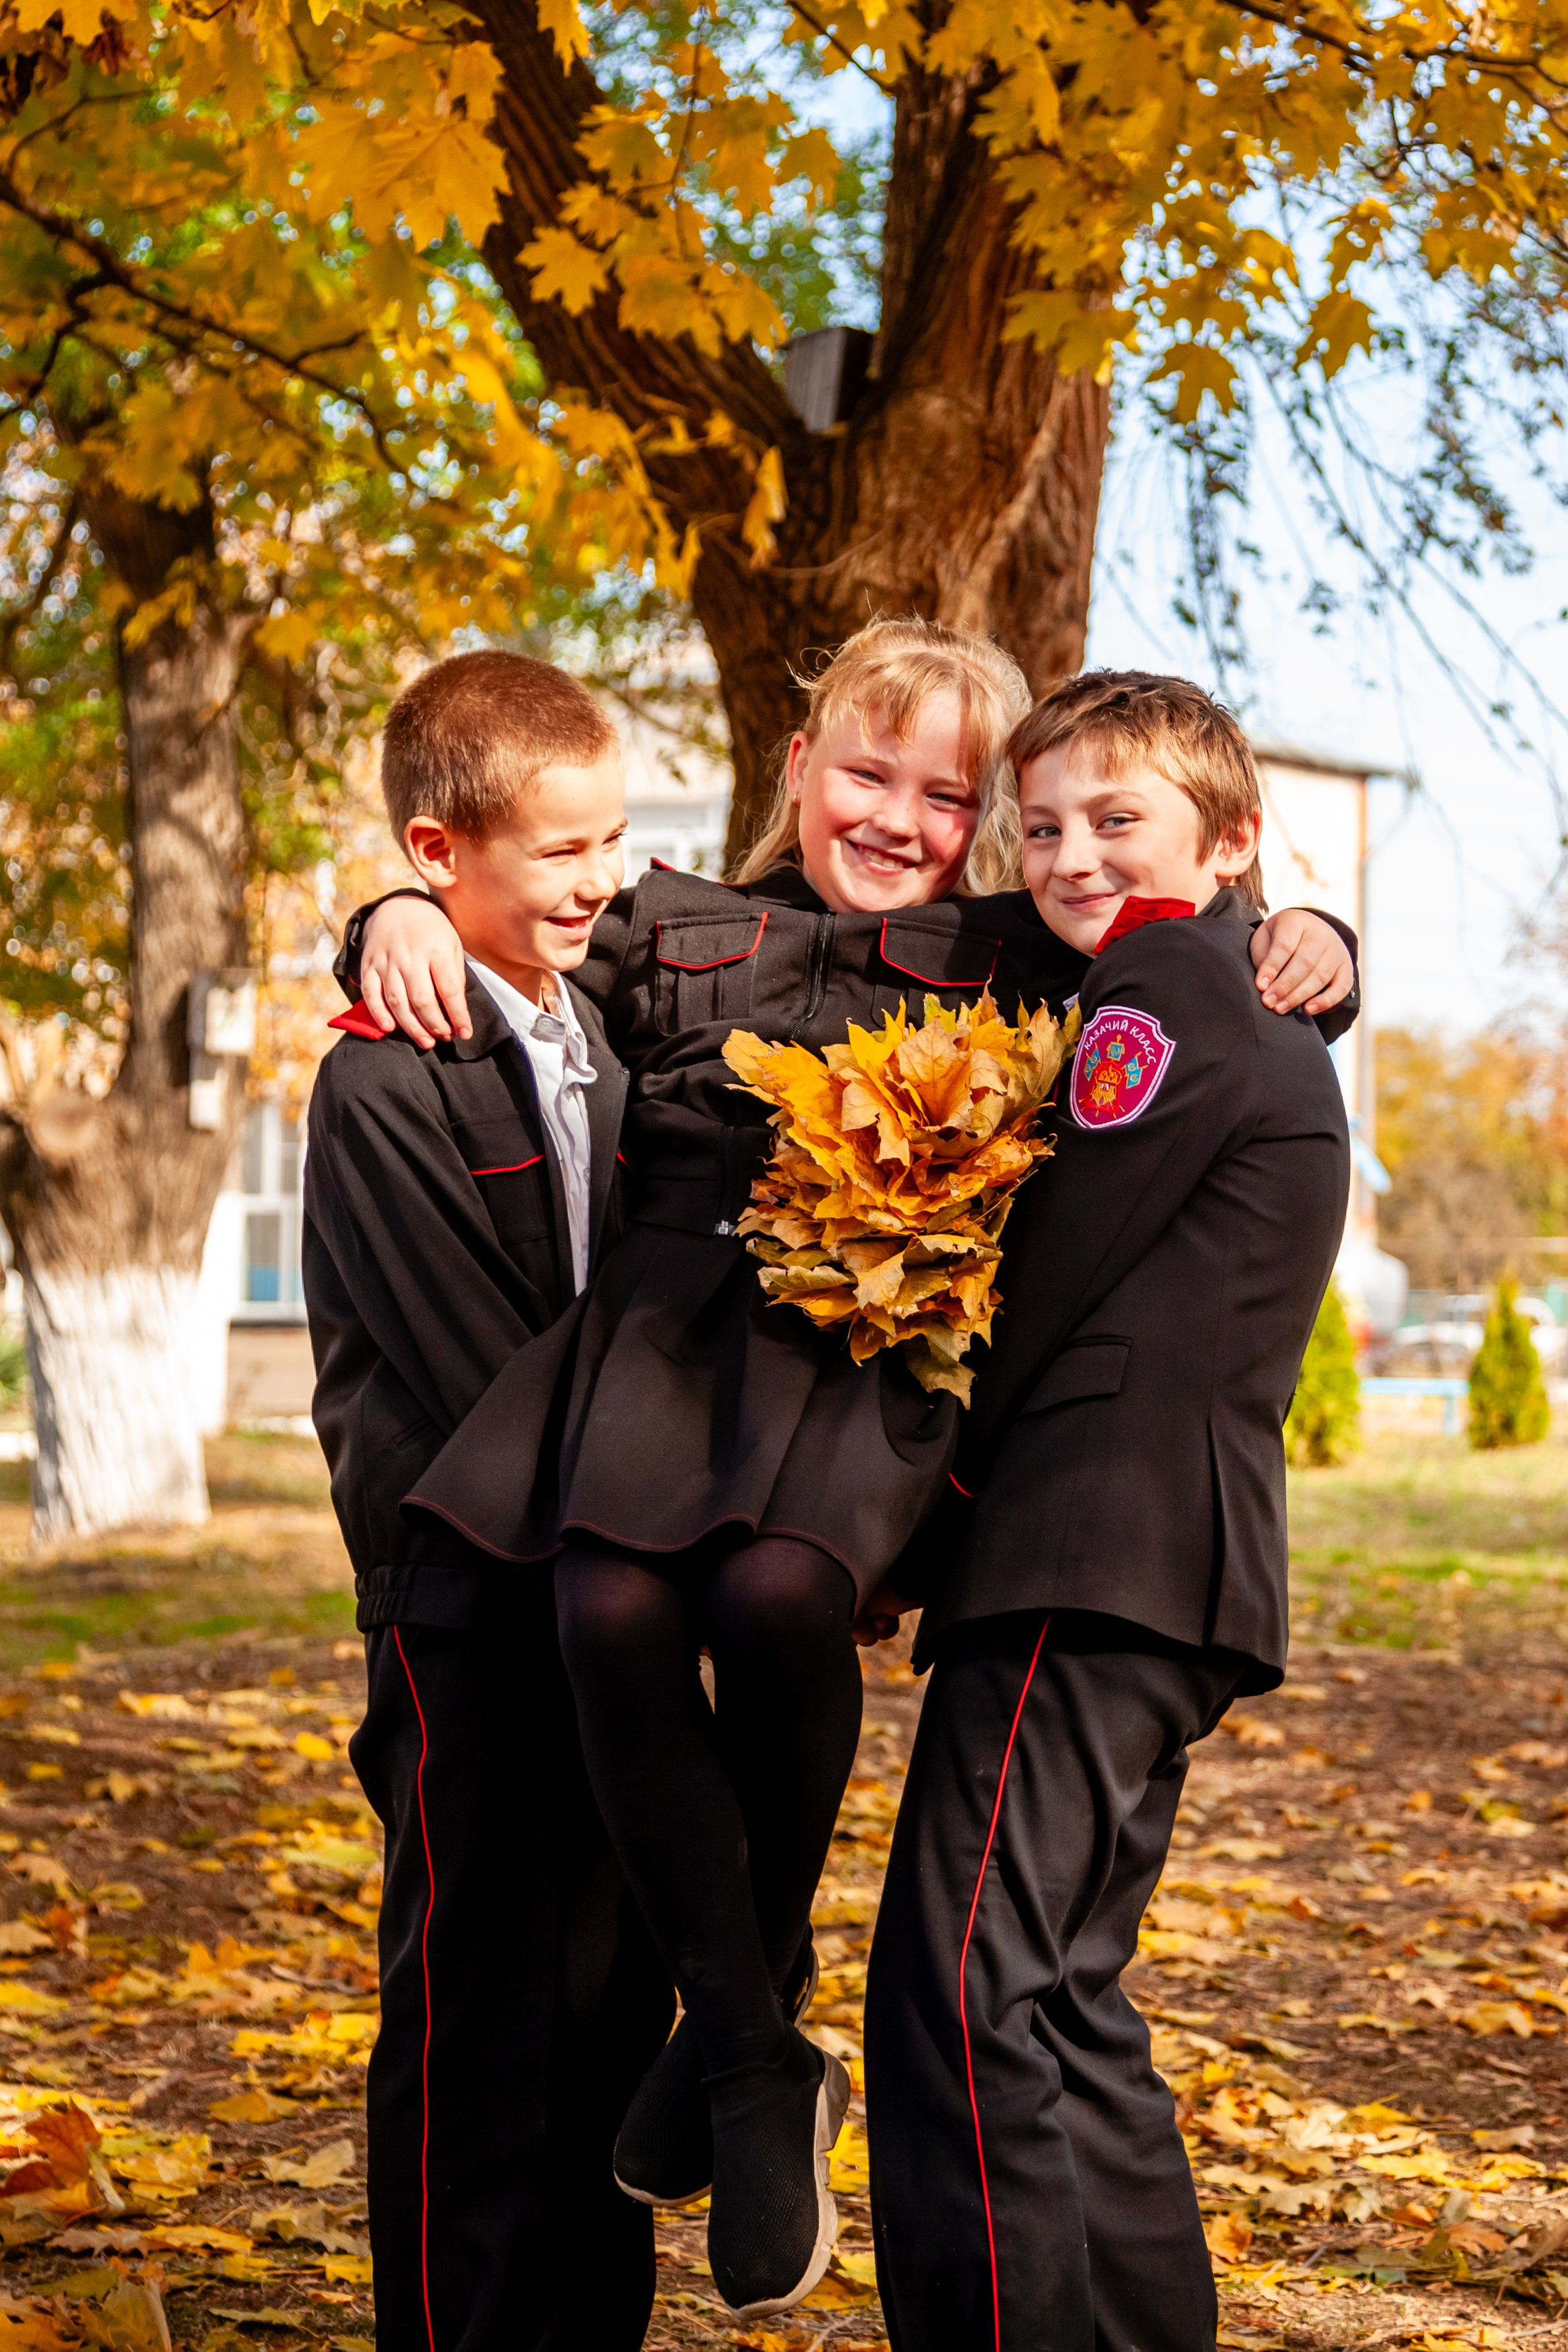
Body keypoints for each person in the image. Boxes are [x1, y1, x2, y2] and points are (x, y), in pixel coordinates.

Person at [333, 623, 1359, 2321]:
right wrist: (386, 911)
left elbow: (1186, 973)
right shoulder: (670, 922)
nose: (900, 817)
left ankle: (758, 2005)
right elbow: (524, 954)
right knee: (605, 1613)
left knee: (784, 1598)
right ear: (796, 767)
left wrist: (1320, 935)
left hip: (856, 1383)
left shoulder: (1027, 948)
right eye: (865, 774)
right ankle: (745, 2040)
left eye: (952, 795)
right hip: (667, 1364)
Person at [860, 670, 1353, 2352]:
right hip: (1178, 1569)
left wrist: (900, 1533)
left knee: (962, 1984)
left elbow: (1042, 1285)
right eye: (1043, 824)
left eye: (1114, 822)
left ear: (1225, 846)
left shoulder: (1155, 986)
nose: (1068, 856)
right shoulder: (1236, 989)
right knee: (1063, 1995)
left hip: (1086, 1546)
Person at [302, 650, 673, 2352]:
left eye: (617, 839)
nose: (602, 880)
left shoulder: (599, 1024)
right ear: (444, 857)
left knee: (608, 2013)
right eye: (562, 852)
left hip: (615, 1614)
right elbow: (484, 1373)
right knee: (476, 2020)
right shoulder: (383, 1080)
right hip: (470, 1612)